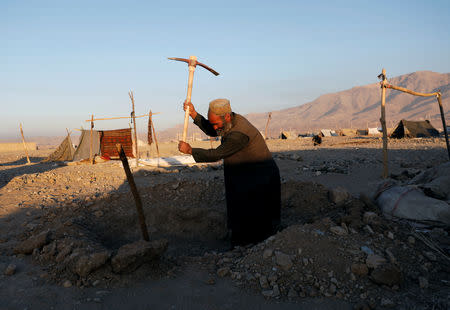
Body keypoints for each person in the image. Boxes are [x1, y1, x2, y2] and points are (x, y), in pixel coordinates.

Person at [178, 98, 281, 246]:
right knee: (241, 214)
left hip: (261, 180)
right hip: (246, 177)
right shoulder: (230, 121)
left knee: (258, 221)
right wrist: (193, 114)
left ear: (226, 117)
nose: (215, 127)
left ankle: (255, 253)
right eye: (212, 122)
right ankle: (240, 246)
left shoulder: (239, 133)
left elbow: (216, 154)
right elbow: (214, 128)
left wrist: (190, 150)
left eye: (216, 123)